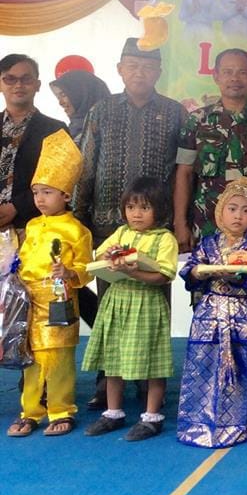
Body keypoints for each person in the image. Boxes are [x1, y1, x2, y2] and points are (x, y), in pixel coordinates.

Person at [74, 38, 186, 405]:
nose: (140, 72)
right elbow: (86, 165)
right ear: (120, 69)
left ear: (159, 71)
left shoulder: (175, 113)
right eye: (132, 65)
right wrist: (79, 217)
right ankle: (108, 382)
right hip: (108, 225)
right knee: (110, 309)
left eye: (148, 66)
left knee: (154, 306)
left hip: (157, 230)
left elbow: (186, 172)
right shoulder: (101, 110)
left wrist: (181, 221)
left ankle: (149, 381)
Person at [177, 178, 247, 448]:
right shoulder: (208, 243)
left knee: (241, 367)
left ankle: (240, 423)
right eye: (232, 209)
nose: (238, 216)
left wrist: (239, 278)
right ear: (220, 211)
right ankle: (198, 422)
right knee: (203, 364)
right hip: (209, 313)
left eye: (246, 210)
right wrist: (197, 273)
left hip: (243, 315)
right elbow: (191, 269)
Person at [6, 129, 92, 437]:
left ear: (66, 195)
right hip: (29, 301)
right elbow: (22, 259)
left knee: (58, 358)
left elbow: (87, 269)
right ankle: (30, 412)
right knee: (30, 358)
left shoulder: (76, 230)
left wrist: (70, 273)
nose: (40, 199)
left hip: (58, 299)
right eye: (36, 192)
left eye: (47, 192)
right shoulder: (31, 225)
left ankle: (61, 410)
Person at [81, 176, 178, 441]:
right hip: (117, 301)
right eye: (131, 207)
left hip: (147, 303)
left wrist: (134, 273)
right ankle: (113, 412)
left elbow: (164, 276)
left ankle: (151, 416)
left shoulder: (165, 238)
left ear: (159, 209)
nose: (136, 214)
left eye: (145, 207)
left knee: (153, 361)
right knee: (114, 358)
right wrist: (108, 255)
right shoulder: (121, 233)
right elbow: (99, 256)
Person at [175, 48, 247, 252]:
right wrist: (180, 222)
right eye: (227, 72)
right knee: (204, 273)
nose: (234, 78)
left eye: (242, 72)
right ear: (216, 76)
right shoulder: (197, 120)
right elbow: (184, 173)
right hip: (207, 227)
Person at [0, 53, 67, 232]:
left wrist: (17, 206)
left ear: (37, 85)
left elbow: (58, 180)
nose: (18, 85)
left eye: (26, 79)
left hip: (34, 227)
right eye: (10, 79)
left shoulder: (55, 129)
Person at [49, 70, 110, 141]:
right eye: (58, 97)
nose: (60, 103)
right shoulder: (70, 131)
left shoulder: (109, 129)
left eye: (63, 95)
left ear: (83, 94)